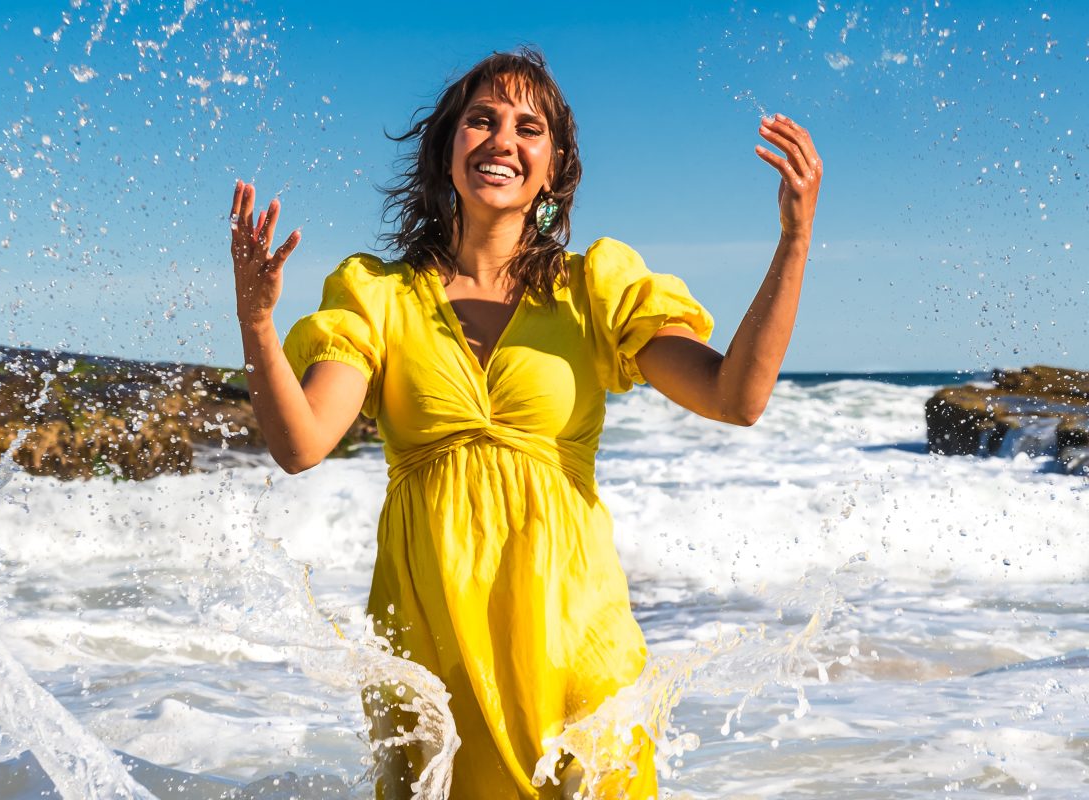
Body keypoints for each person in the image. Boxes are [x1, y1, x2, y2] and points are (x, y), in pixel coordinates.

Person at [228, 47, 821, 800]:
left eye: (528, 127)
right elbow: (302, 443)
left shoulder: (593, 290)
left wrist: (794, 240)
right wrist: (256, 321)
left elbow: (736, 398)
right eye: (481, 120)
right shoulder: (376, 296)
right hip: (435, 660)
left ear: (553, 168)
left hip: (577, 645)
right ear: (447, 148)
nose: (502, 138)